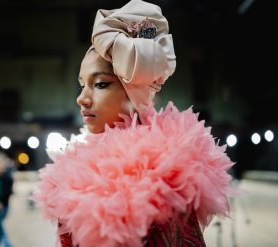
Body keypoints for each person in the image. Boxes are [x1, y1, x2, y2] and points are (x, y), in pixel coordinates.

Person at [35, 1, 234, 246]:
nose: (81, 98)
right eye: (81, 85)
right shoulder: (75, 170)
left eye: (100, 84)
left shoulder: (168, 179)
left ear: (136, 92)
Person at [0, 157, 14, 247]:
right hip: (4, 206)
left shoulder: (6, 178)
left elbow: (7, 192)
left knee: (0, 231)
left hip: (2, 206)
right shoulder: (6, 177)